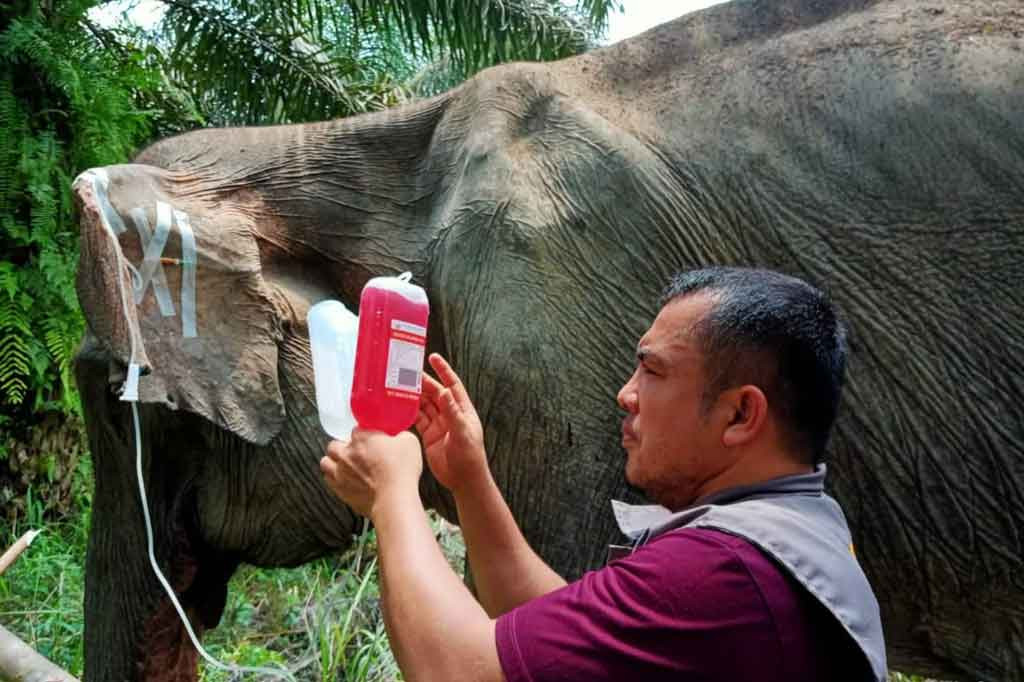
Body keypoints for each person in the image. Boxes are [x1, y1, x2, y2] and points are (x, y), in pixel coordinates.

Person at [319, 267, 887, 682]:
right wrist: (469, 479)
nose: (626, 394)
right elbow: (549, 638)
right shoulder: (795, 532)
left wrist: (392, 498)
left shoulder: (724, 571)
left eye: (653, 371)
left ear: (740, 414)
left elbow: (458, 673)